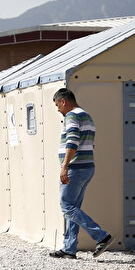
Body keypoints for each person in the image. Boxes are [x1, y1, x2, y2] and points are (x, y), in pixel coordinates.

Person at [48, 88, 114, 260]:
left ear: (63, 101)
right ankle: (69, 249)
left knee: (67, 206)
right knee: (73, 208)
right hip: (86, 167)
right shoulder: (87, 116)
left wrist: (64, 166)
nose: (58, 110)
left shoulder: (72, 116)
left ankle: (101, 236)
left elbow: (73, 140)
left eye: (57, 105)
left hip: (75, 168)